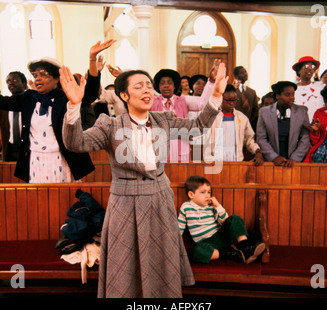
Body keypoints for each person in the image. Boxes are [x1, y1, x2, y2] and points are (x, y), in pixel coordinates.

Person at [60, 61, 228, 298]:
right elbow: (75, 143)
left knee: (160, 261)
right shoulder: (110, 125)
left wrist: (217, 94)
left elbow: (198, 126)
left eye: (149, 86)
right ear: (124, 95)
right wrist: (74, 106)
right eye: (139, 87)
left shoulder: (164, 120)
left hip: (159, 199)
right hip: (124, 204)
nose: (148, 91)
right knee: (125, 264)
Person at [0, 40, 115, 183]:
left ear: (57, 79)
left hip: (62, 158)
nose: (37, 78)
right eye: (35, 75)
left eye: (43, 74)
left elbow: (91, 93)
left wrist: (92, 59)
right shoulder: (28, 98)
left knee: (64, 199)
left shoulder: (66, 98)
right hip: (35, 159)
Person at [178, 175, 266, 264]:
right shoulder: (186, 207)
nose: (207, 195)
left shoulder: (211, 207)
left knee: (235, 218)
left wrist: (218, 206)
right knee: (196, 252)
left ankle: (245, 247)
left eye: (209, 192)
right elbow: (179, 227)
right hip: (205, 243)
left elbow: (226, 221)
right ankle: (233, 254)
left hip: (220, 237)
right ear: (191, 194)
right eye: (203, 192)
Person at [150, 67, 216, 161]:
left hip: (180, 145)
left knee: (181, 173)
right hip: (159, 146)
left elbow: (201, 103)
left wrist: (211, 82)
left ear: (174, 85)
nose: (166, 85)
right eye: (162, 83)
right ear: (158, 86)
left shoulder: (183, 100)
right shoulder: (152, 101)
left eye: (169, 82)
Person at [203, 84, 263, 165]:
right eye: (228, 100)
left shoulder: (242, 118)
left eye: (234, 100)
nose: (231, 103)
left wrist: (257, 151)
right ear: (220, 98)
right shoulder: (211, 116)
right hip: (214, 159)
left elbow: (249, 140)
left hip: (235, 159)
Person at [256, 81, 310, 167]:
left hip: (294, 162)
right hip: (271, 162)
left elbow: (305, 138)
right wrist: (274, 157)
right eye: (287, 95)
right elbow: (261, 138)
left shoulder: (302, 111)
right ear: (277, 96)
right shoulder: (264, 112)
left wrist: (295, 158)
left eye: (293, 94)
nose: (292, 98)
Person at [292, 56, 324, 121]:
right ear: (299, 71)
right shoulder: (292, 89)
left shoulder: (320, 87)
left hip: (315, 126)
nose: (310, 69)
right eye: (306, 67)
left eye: (312, 67)